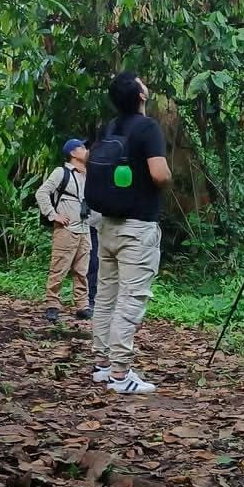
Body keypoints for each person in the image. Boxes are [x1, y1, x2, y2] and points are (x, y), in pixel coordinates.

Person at [89, 72, 171, 395]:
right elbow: (159, 174)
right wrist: (164, 179)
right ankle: (121, 374)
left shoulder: (108, 128)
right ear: (140, 94)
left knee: (106, 295)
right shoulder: (148, 128)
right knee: (131, 297)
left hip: (106, 223)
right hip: (136, 226)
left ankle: (102, 364)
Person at [36, 139, 92, 323]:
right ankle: (52, 304)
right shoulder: (62, 172)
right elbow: (42, 193)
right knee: (58, 268)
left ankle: (82, 306)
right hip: (66, 229)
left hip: (84, 229)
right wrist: (53, 215)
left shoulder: (89, 174)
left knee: (82, 271)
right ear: (73, 153)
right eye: (82, 148)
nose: (86, 150)